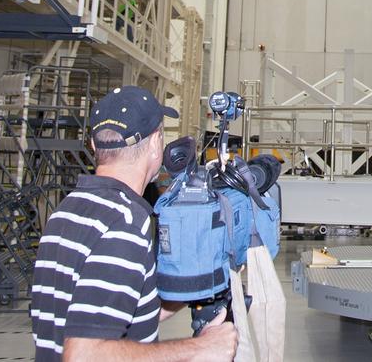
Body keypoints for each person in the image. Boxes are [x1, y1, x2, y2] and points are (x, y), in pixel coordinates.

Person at [30, 85, 237, 361]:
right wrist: (201, 348)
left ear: (94, 145)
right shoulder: (124, 225)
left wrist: (199, 282)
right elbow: (83, 355)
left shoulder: (67, 211)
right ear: (155, 144)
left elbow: (114, 309)